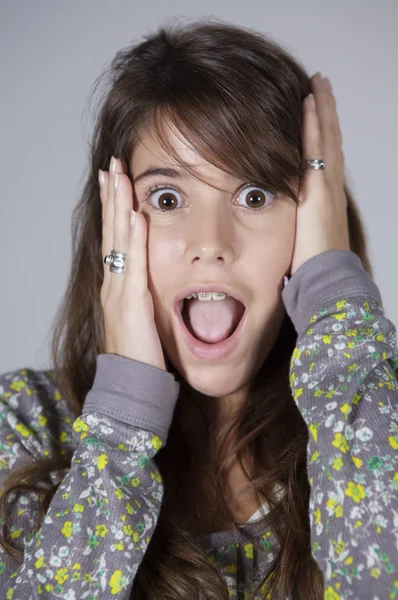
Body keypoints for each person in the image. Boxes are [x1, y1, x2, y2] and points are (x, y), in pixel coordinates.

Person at [0, 18, 397, 600]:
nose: (210, 241)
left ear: (315, 221)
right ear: (111, 228)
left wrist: (334, 299)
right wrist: (122, 425)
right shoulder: (22, 427)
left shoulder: (374, 411)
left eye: (254, 196)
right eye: (166, 198)